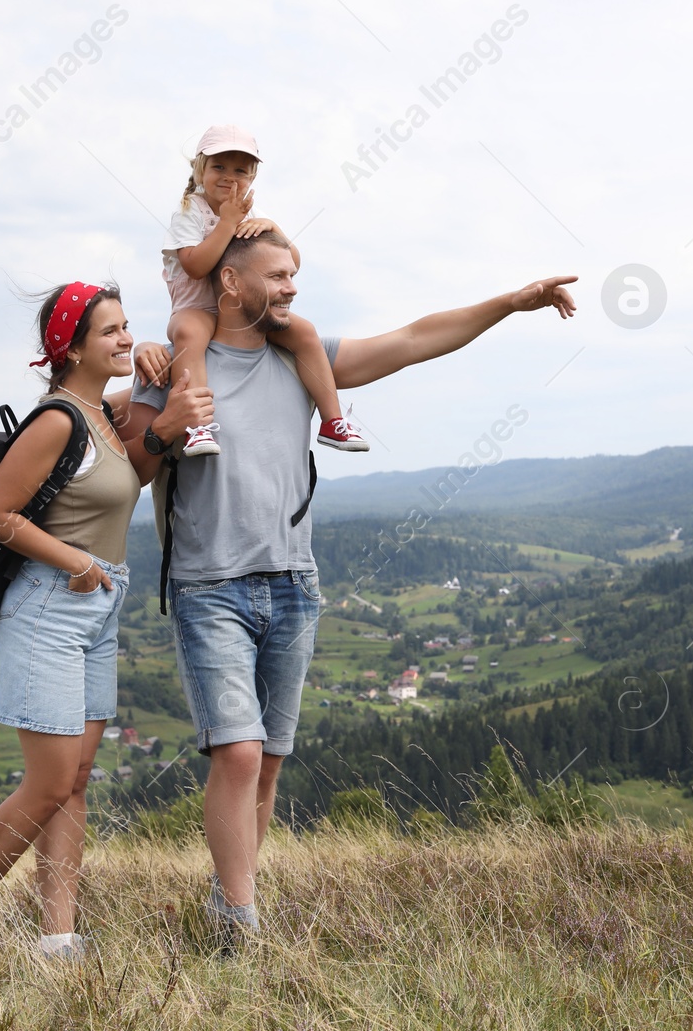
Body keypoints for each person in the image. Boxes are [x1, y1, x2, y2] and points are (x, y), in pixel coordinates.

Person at [123, 230, 575, 948]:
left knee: (266, 762)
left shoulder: (303, 356)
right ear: (232, 282)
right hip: (209, 585)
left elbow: (416, 338)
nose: (293, 287)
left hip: (294, 583)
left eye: (296, 274)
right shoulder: (177, 365)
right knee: (236, 753)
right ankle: (242, 927)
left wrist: (509, 304)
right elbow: (128, 470)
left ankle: (229, 897)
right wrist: (163, 430)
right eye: (279, 275)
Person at [0, 282, 211, 960]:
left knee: (76, 780)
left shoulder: (102, 413)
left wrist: (153, 376)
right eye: (109, 330)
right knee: (49, 781)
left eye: (125, 326)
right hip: (52, 604)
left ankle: (58, 938)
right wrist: (75, 563)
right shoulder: (57, 419)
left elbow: (131, 473)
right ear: (71, 346)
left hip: (98, 605)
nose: (122, 338)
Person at [160, 124, 366, 457]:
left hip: (244, 312)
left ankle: (332, 421)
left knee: (305, 332)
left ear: (253, 177)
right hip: (196, 307)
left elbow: (292, 262)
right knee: (188, 334)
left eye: (241, 170)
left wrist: (275, 229)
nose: (230, 177)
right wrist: (227, 223)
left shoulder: (254, 214)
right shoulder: (189, 212)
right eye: (219, 167)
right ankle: (197, 425)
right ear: (201, 169)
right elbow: (196, 267)